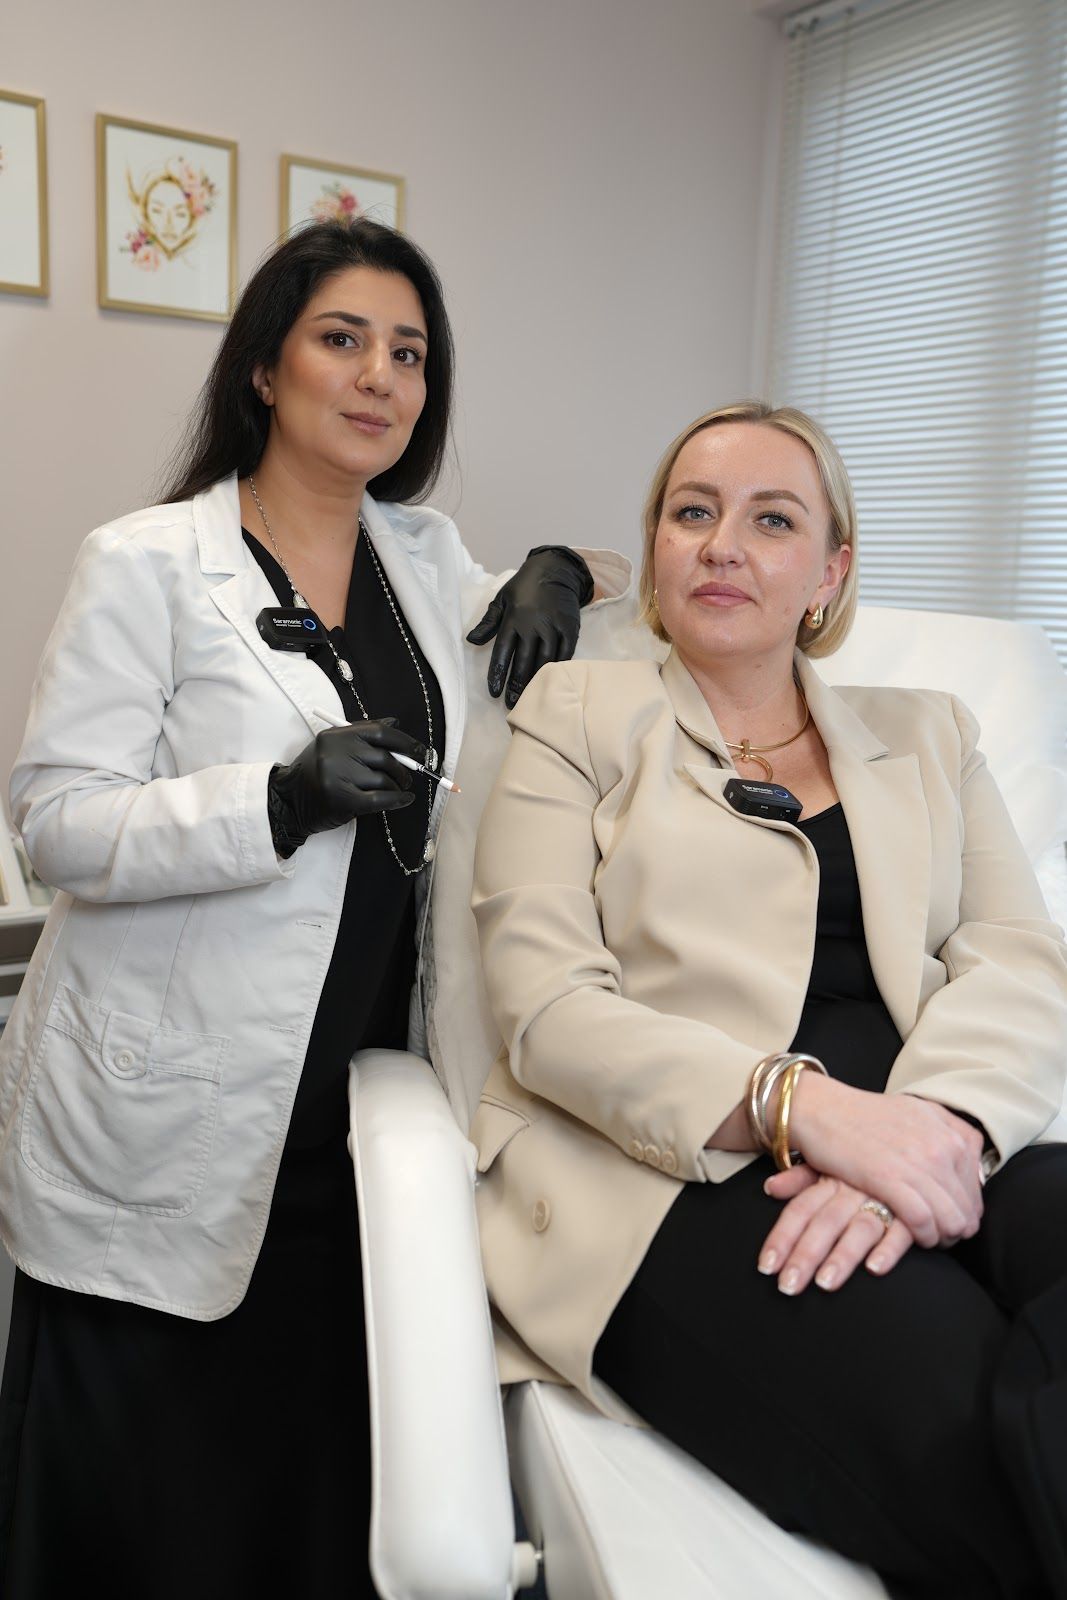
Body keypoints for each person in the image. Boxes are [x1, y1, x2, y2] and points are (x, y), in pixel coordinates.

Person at [0, 216, 622, 1599]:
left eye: (407, 353)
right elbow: (52, 826)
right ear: (265, 372)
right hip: (170, 1101)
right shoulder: (148, 562)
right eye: (341, 340)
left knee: (298, 1480)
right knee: (145, 1492)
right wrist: (272, 800)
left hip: (353, 1109)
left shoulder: (422, 558)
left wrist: (562, 568)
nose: (378, 377)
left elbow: (575, 626)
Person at [471, 401, 1067, 1599]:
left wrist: (930, 1130)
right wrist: (808, 1112)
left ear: (828, 571)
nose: (720, 544)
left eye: (770, 518)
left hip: (930, 1130)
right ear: (653, 551)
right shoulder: (575, 720)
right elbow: (544, 1005)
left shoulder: (928, 733)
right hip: (674, 1169)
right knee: (953, 1420)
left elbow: (1019, 955)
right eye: (690, 513)